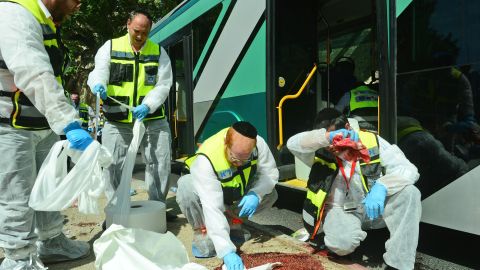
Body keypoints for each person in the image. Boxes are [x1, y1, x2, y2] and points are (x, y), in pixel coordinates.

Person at [0, 0, 93, 269]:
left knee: (49, 187)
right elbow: (34, 72)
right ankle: (17, 258)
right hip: (11, 125)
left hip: (40, 124)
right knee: (17, 195)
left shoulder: (45, 20)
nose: (79, 5)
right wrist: (68, 122)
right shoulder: (15, 13)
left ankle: (51, 241)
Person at [287, 109, 421, 270]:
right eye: (331, 140)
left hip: (374, 206)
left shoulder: (371, 141)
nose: (334, 146)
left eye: (338, 137)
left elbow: (408, 169)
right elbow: (292, 143)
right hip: (342, 210)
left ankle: (399, 263)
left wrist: (383, 186)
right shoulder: (317, 146)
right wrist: (326, 138)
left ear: (348, 127)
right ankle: (344, 239)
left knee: (410, 192)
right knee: (341, 245)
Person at [87, 9, 173, 213]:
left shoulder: (159, 52)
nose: (140, 36)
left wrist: (148, 105)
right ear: (127, 25)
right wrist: (98, 84)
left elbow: (163, 85)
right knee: (113, 164)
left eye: (145, 32)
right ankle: (117, 209)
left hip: (152, 118)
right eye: (136, 31)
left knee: (160, 163)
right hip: (116, 120)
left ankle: (157, 208)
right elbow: (98, 72)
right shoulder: (110, 47)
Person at [176, 121, 279, 270]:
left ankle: (234, 224)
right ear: (226, 144)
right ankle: (202, 233)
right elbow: (212, 207)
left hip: (236, 194)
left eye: (245, 159)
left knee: (270, 193)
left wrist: (256, 194)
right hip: (211, 196)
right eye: (235, 158)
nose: (239, 163)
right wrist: (226, 252)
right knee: (185, 185)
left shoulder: (259, 144)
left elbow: (270, 173)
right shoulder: (207, 158)